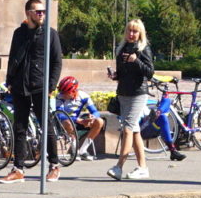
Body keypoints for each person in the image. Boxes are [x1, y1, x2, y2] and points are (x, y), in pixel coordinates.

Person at [0, 0, 63, 184]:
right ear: (28, 13)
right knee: (19, 127)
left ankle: (54, 165)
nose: (41, 14)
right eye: (38, 11)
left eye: (43, 11)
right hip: (20, 86)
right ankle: (18, 169)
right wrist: (9, 81)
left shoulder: (50, 34)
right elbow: (13, 57)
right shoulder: (19, 33)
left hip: (40, 85)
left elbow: (57, 62)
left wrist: (51, 85)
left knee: (47, 125)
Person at [106, 18, 155, 180]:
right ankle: (143, 168)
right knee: (134, 131)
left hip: (138, 93)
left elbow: (149, 72)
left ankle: (119, 167)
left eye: (135, 31)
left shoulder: (143, 49)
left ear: (140, 33)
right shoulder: (121, 48)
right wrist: (114, 76)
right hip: (124, 93)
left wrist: (136, 61)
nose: (131, 34)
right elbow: (121, 73)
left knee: (127, 129)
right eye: (129, 30)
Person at [56, 76, 106, 161]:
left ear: (73, 91)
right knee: (68, 122)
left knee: (100, 121)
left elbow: (95, 111)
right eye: (61, 92)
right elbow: (60, 115)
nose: (62, 94)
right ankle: (74, 151)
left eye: (65, 92)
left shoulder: (83, 96)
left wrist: (93, 117)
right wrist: (79, 120)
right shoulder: (59, 97)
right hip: (63, 123)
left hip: (78, 121)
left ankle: (83, 151)